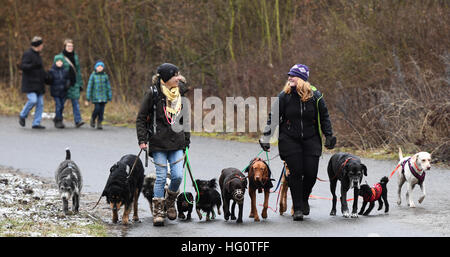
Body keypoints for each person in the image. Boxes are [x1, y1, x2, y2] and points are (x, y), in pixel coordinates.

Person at [260, 64, 336, 221]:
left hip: (311, 139)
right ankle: (298, 208)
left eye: (293, 75)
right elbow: (273, 117)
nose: (289, 78)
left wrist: (328, 135)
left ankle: (303, 198)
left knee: (311, 174)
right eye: (289, 75)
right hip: (290, 139)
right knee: (295, 172)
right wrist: (266, 137)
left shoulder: (316, 96)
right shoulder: (284, 96)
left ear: (302, 79)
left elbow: (324, 116)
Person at [136, 63, 190, 226]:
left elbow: (185, 119)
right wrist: (142, 139)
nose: (179, 78)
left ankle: (169, 202)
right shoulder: (152, 93)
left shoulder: (180, 93)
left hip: (177, 141)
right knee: (160, 178)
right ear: (166, 78)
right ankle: (158, 212)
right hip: (158, 142)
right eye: (175, 75)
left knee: (177, 176)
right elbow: (141, 118)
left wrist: (187, 140)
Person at [18, 36, 48, 129]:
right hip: (30, 83)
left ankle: (36, 123)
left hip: (39, 83)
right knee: (33, 100)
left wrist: (48, 77)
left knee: (40, 104)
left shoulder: (38, 55)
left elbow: (40, 69)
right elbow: (23, 66)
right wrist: (33, 65)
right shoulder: (28, 54)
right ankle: (22, 115)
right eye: (41, 44)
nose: (42, 46)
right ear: (38, 45)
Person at [60, 39, 85, 128]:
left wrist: (80, 84)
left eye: (71, 46)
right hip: (65, 84)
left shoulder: (75, 57)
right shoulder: (60, 57)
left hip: (74, 83)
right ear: (65, 47)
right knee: (61, 103)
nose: (70, 48)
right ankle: (59, 119)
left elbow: (78, 71)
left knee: (75, 103)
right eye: (68, 46)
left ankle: (78, 120)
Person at [86, 61, 112, 130]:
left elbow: (108, 86)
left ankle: (99, 122)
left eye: (101, 67)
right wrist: (88, 97)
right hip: (96, 97)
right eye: (98, 66)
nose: (100, 68)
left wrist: (109, 95)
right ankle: (93, 118)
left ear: (103, 68)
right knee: (97, 108)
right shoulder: (93, 75)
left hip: (104, 97)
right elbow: (89, 86)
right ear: (96, 68)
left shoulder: (105, 76)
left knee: (102, 111)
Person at [48, 54, 70, 129]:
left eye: (61, 61)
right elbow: (49, 80)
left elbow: (68, 79)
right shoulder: (52, 71)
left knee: (62, 106)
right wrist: (49, 78)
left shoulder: (65, 70)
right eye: (58, 61)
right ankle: (59, 121)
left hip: (63, 91)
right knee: (58, 105)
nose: (60, 63)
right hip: (56, 91)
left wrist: (67, 84)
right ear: (55, 62)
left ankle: (56, 118)